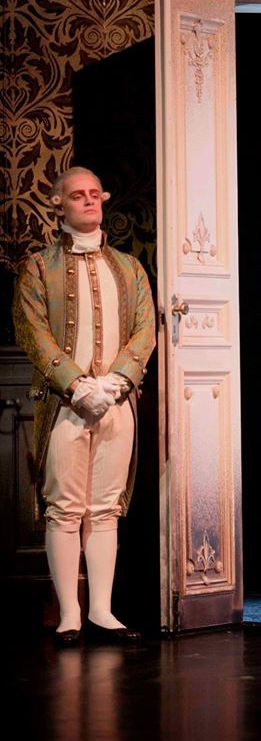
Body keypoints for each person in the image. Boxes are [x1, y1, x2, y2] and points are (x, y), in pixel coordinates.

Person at [12, 167, 156, 646]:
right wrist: (76, 385)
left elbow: (145, 329)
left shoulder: (129, 268)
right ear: (59, 204)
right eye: (78, 195)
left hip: (116, 401)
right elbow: (32, 332)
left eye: (95, 194)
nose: (90, 201)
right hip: (64, 403)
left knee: (105, 509)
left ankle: (102, 610)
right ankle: (70, 614)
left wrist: (117, 381)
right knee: (65, 508)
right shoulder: (38, 267)